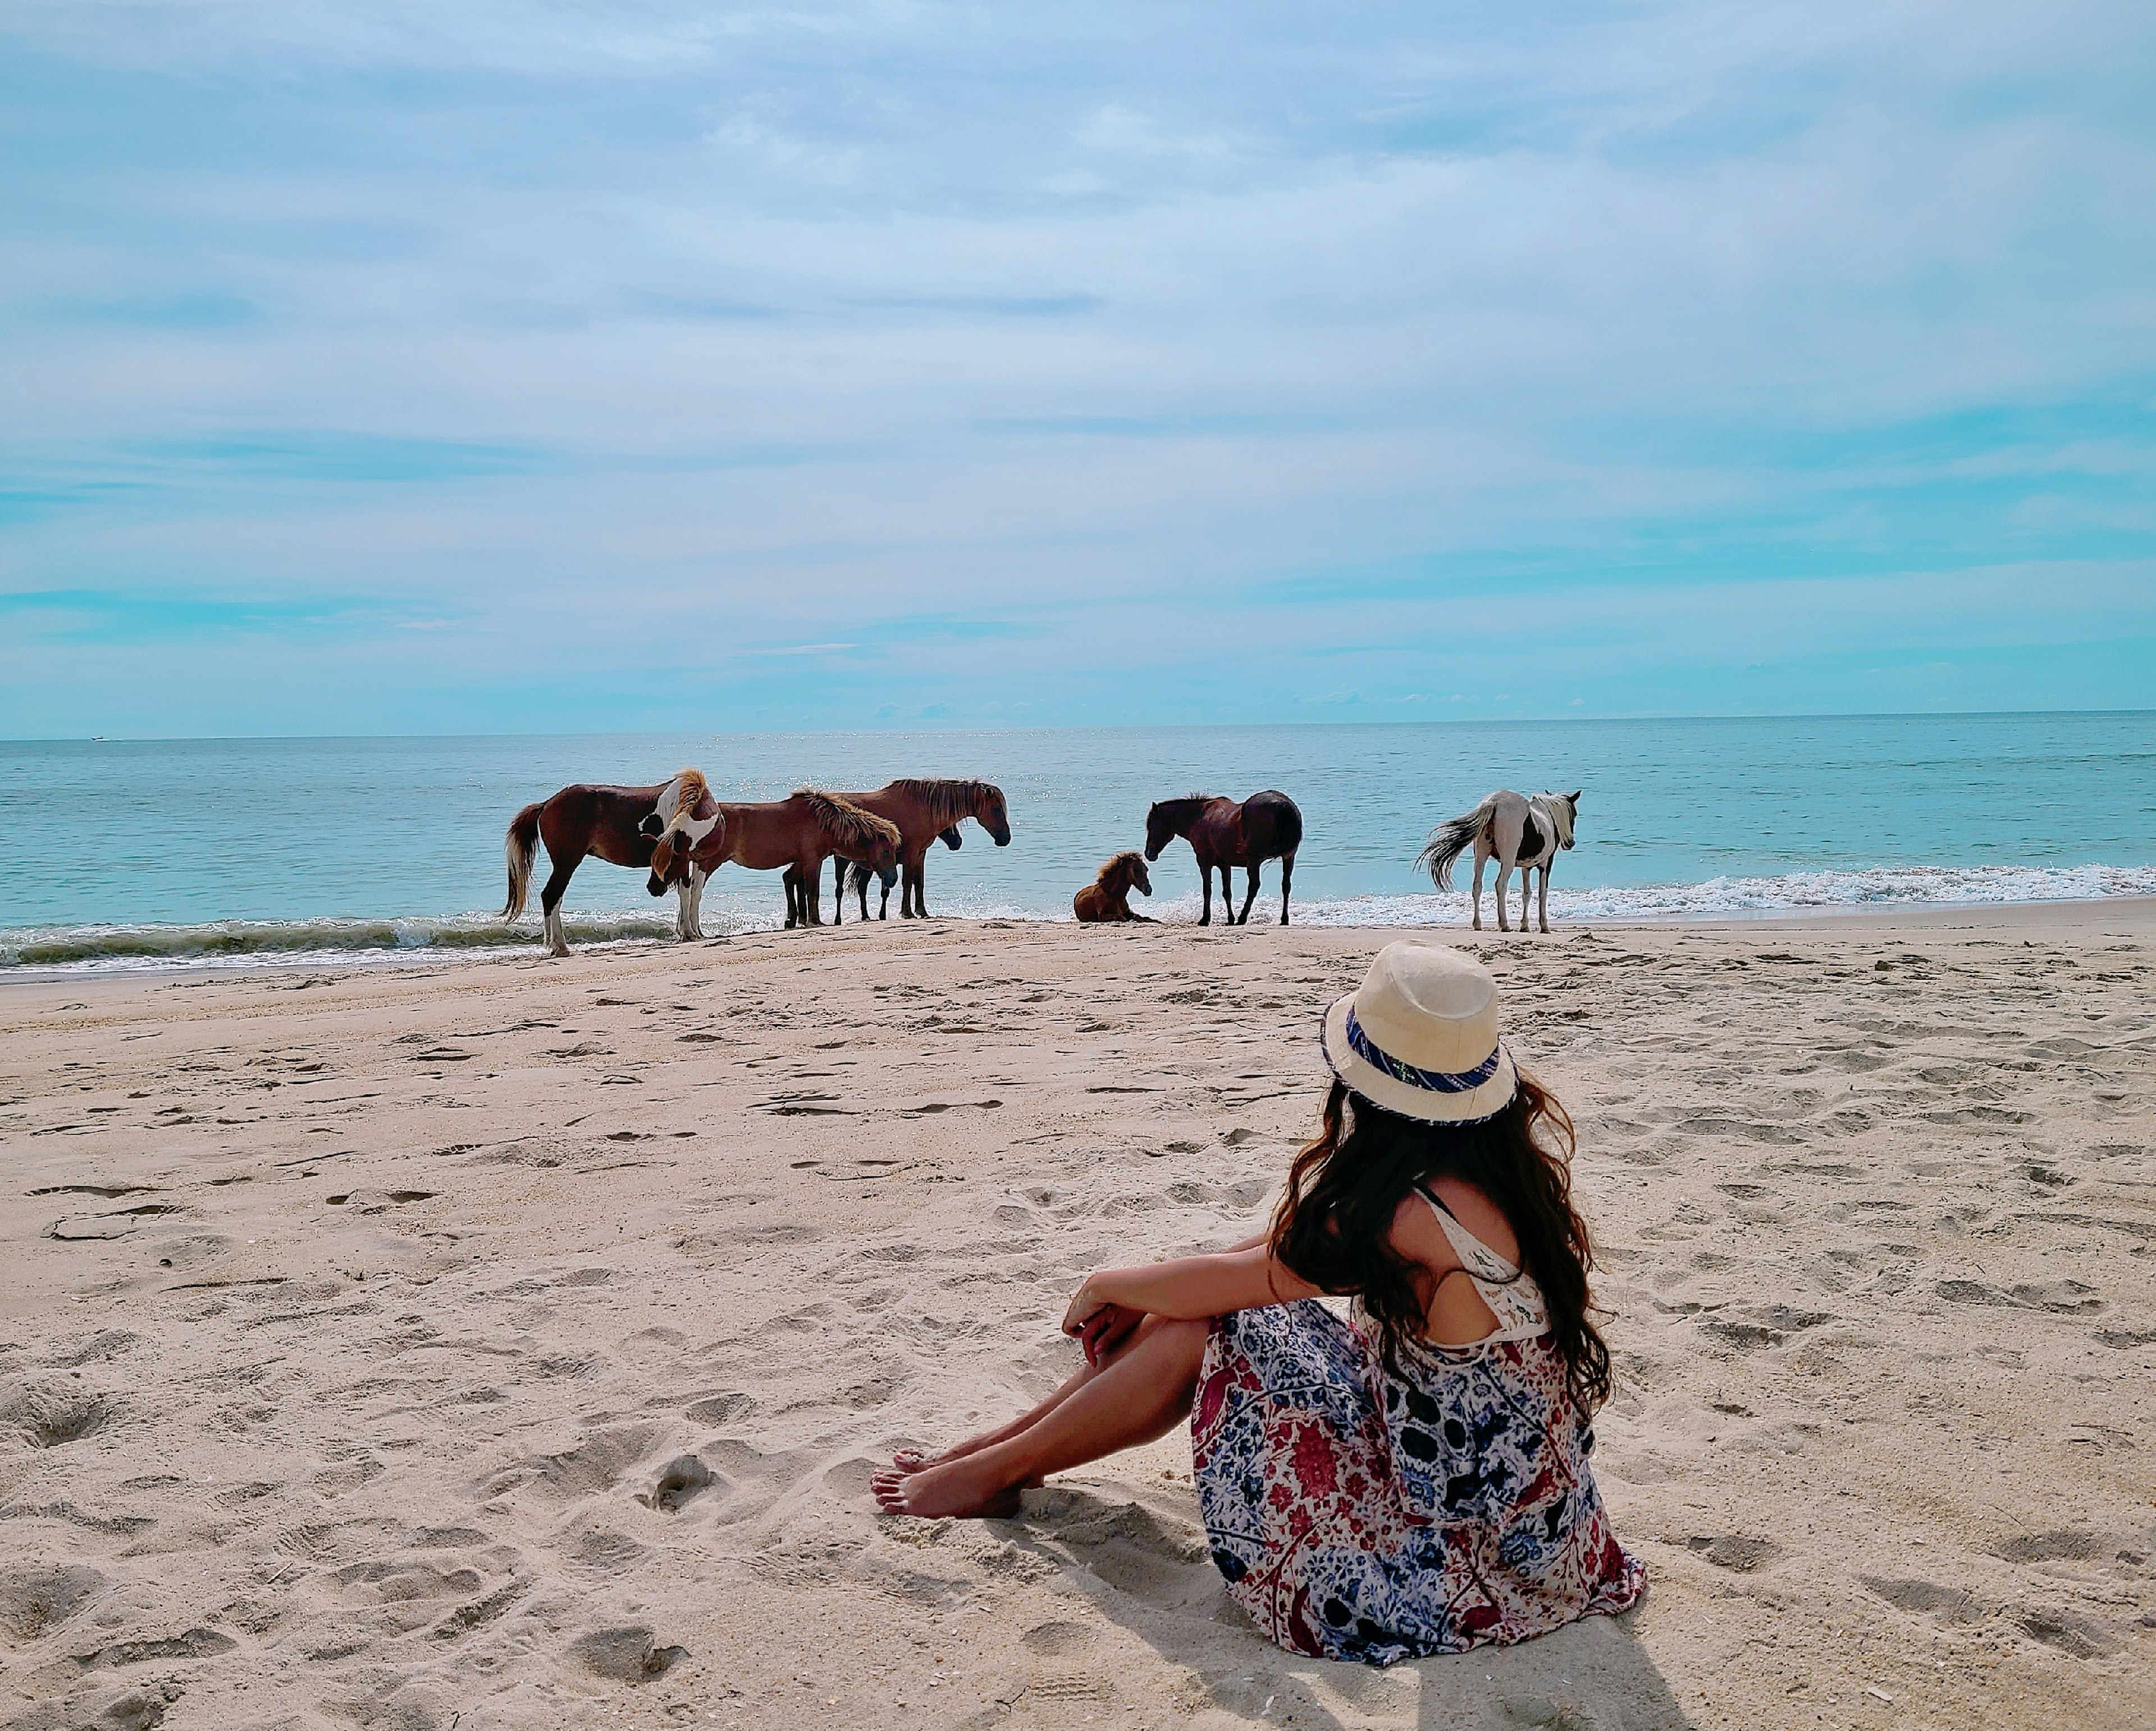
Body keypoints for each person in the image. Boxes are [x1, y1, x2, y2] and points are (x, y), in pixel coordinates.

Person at [873, 939, 1645, 1665]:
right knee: (1208, 1301)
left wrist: (1110, 1285)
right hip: (1546, 1535)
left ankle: (999, 1466)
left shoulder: (1411, 1217)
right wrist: (1147, 1285)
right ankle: (1004, 1452)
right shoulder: (1494, 1172)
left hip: (1450, 1558)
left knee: (1209, 1322)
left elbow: (1243, 1284)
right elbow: (1267, 1252)